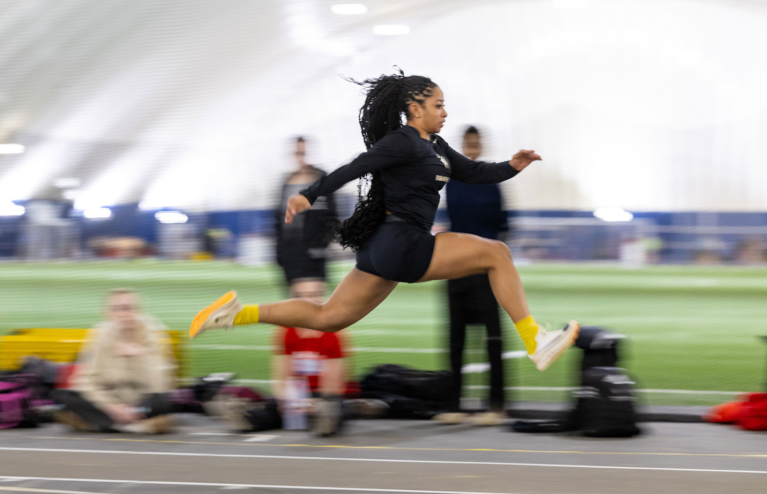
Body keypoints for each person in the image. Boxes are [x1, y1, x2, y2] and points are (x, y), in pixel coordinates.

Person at [190, 69, 579, 372]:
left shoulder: (437, 146)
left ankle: (235, 314)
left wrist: (513, 165)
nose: (445, 112)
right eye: (438, 105)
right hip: (404, 243)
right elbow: (355, 167)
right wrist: (308, 194)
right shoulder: (402, 141)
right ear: (415, 108)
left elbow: (475, 174)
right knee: (497, 253)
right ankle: (536, 340)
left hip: (385, 250)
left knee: (328, 318)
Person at [439, 126, 508, 425]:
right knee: (455, 340)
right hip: (456, 268)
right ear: (463, 146)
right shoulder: (452, 181)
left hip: (485, 271)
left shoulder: (493, 181)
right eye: (468, 144)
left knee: (493, 339)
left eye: (476, 144)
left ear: (481, 146)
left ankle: (496, 406)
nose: (472, 148)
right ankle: (454, 405)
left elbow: (503, 225)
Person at [53, 289, 177, 433]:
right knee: (68, 398)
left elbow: (160, 385)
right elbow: (85, 381)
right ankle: (129, 426)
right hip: (111, 401)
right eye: (117, 309)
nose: (123, 314)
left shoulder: (153, 333)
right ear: (108, 313)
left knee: (165, 401)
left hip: (141, 403)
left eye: (128, 308)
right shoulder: (100, 335)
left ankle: (102, 424)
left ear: (138, 311)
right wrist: (111, 407)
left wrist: (141, 355)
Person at [219, 327, 349, 436]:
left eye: (312, 296)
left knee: (336, 406)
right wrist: (284, 399)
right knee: (273, 408)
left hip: (321, 396)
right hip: (296, 394)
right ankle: (245, 416)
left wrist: (315, 403)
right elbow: (281, 373)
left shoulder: (332, 333)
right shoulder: (287, 332)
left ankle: (326, 418)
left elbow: (336, 382)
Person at [276, 136, 339, 300]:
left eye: (304, 153)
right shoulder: (285, 183)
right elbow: (277, 222)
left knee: (314, 306)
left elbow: (332, 218)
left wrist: (320, 246)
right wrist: (281, 254)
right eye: (298, 153)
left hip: (314, 257)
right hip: (291, 255)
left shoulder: (322, 180)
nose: (301, 158)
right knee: (293, 307)